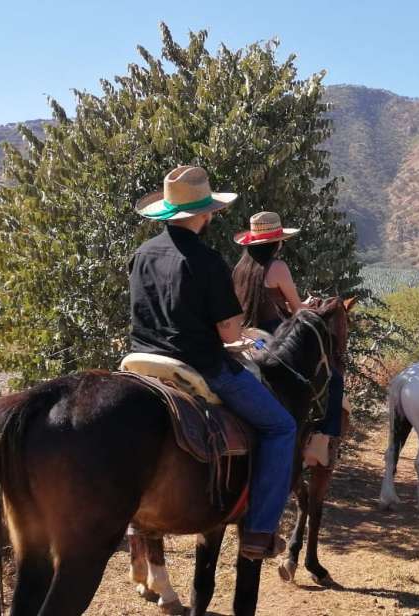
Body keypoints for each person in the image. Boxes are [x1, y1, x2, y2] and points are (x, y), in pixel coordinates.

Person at [129, 166, 294, 560]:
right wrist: (239, 335)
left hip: (142, 362)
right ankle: (259, 531)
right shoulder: (205, 260)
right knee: (281, 427)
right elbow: (227, 332)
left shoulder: (142, 253)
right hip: (198, 366)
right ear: (205, 214)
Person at [231, 211, 346, 464]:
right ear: (277, 242)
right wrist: (309, 306)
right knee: (334, 379)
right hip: (273, 337)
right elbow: (296, 310)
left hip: (244, 337)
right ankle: (321, 439)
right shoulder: (278, 266)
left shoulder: (240, 268)